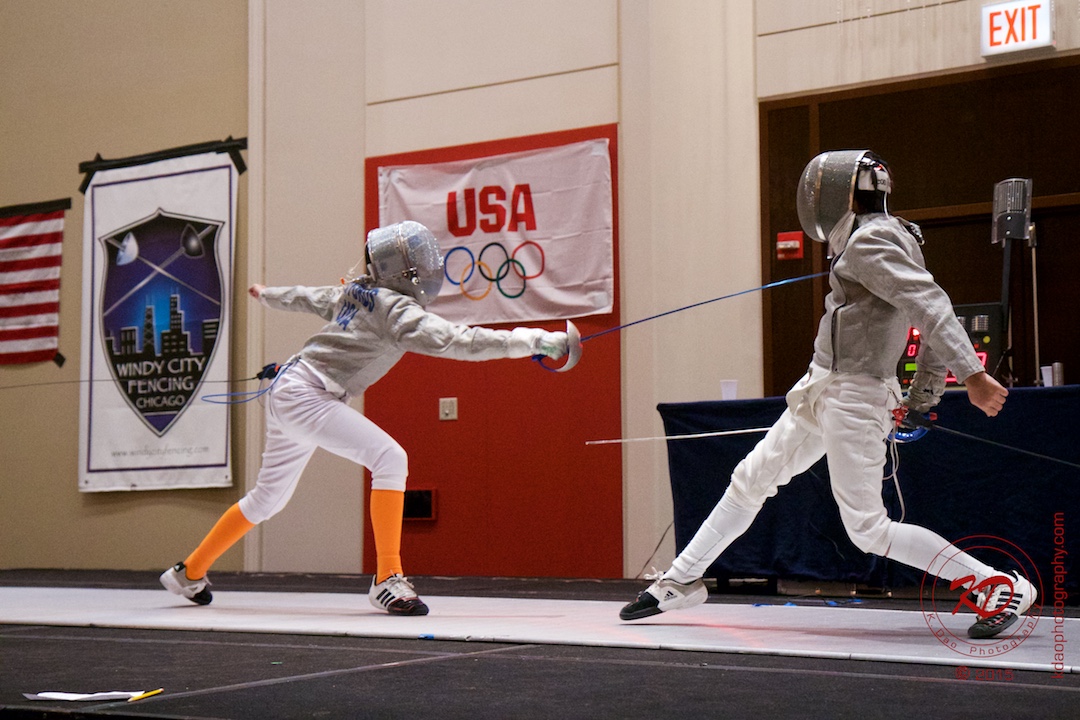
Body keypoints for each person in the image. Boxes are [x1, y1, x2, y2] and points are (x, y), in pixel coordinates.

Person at [620, 150, 1037, 640]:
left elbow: (931, 306)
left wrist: (972, 374)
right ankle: (680, 581)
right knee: (751, 479)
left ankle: (996, 586)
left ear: (840, 198)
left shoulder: (871, 241)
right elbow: (924, 309)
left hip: (855, 395)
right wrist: (923, 395)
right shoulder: (883, 236)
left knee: (868, 528)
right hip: (823, 385)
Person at [161, 221, 570, 615]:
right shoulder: (396, 311)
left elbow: (309, 297)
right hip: (307, 393)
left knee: (268, 498)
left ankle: (189, 572)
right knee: (389, 458)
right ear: (406, 270)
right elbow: (459, 341)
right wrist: (534, 340)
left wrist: (269, 295)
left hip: (290, 387)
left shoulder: (359, 291)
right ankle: (388, 577)